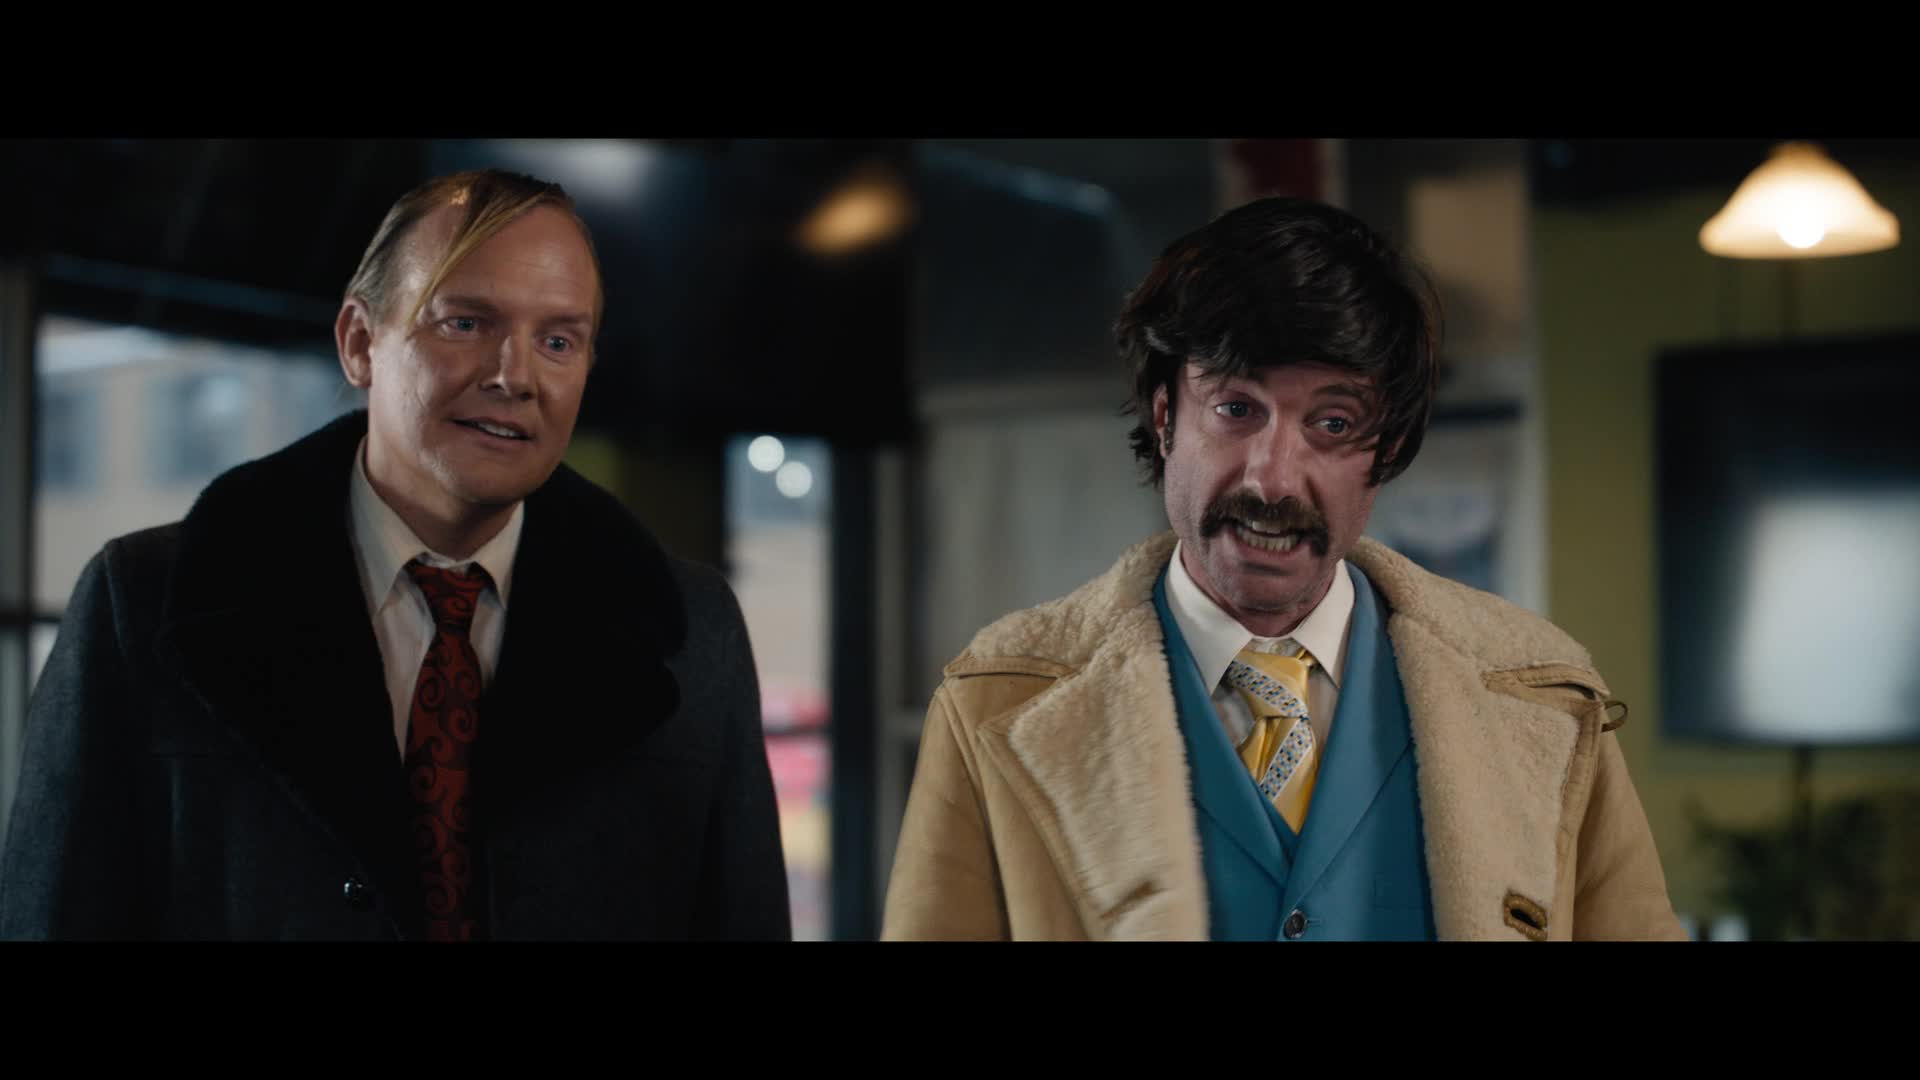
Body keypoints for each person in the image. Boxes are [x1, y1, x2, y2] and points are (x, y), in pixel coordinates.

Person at [1, 168, 790, 941]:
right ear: (359, 343)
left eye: (557, 340)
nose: (515, 376)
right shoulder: (142, 604)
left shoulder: (692, 633)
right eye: (466, 323)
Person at [882, 196, 1685, 941]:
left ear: (1386, 451)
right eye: (1237, 409)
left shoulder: (1542, 698)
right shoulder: (996, 704)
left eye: (1332, 424)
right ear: (1166, 417)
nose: (1271, 480)